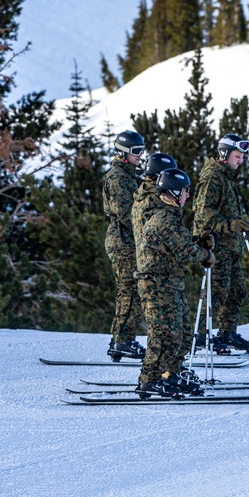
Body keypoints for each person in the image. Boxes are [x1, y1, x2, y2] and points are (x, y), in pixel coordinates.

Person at [134, 169, 214, 397]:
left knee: (183, 334)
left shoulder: (170, 216)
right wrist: (205, 254)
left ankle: (171, 373)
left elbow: (180, 244)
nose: (188, 196)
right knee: (163, 334)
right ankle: (149, 379)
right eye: (186, 191)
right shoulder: (164, 219)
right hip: (157, 285)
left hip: (170, 283)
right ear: (175, 191)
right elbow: (184, 250)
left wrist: (199, 242)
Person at [192, 134, 249, 352]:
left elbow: (231, 219)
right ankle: (202, 334)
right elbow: (203, 212)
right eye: (237, 156)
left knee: (237, 290)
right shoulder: (213, 177)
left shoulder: (227, 179)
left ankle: (227, 331)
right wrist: (227, 225)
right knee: (217, 291)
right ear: (224, 154)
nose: (240, 160)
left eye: (242, 156)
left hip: (231, 246)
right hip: (217, 246)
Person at [102, 130, 146, 361]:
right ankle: (122, 340)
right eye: (136, 152)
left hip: (130, 242)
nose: (141, 156)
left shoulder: (129, 176)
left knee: (131, 291)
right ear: (123, 153)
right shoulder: (118, 177)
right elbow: (125, 213)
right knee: (129, 291)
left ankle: (121, 338)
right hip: (123, 242)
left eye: (142, 151)